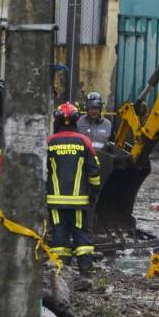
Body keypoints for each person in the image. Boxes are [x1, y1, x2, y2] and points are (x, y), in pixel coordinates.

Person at [47, 102, 102, 276]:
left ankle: (60, 270)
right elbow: (94, 171)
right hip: (79, 200)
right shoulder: (84, 142)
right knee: (81, 233)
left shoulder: (50, 142)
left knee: (59, 233)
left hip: (55, 200)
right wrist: (93, 194)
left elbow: (41, 170)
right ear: (76, 120)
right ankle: (85, 269)